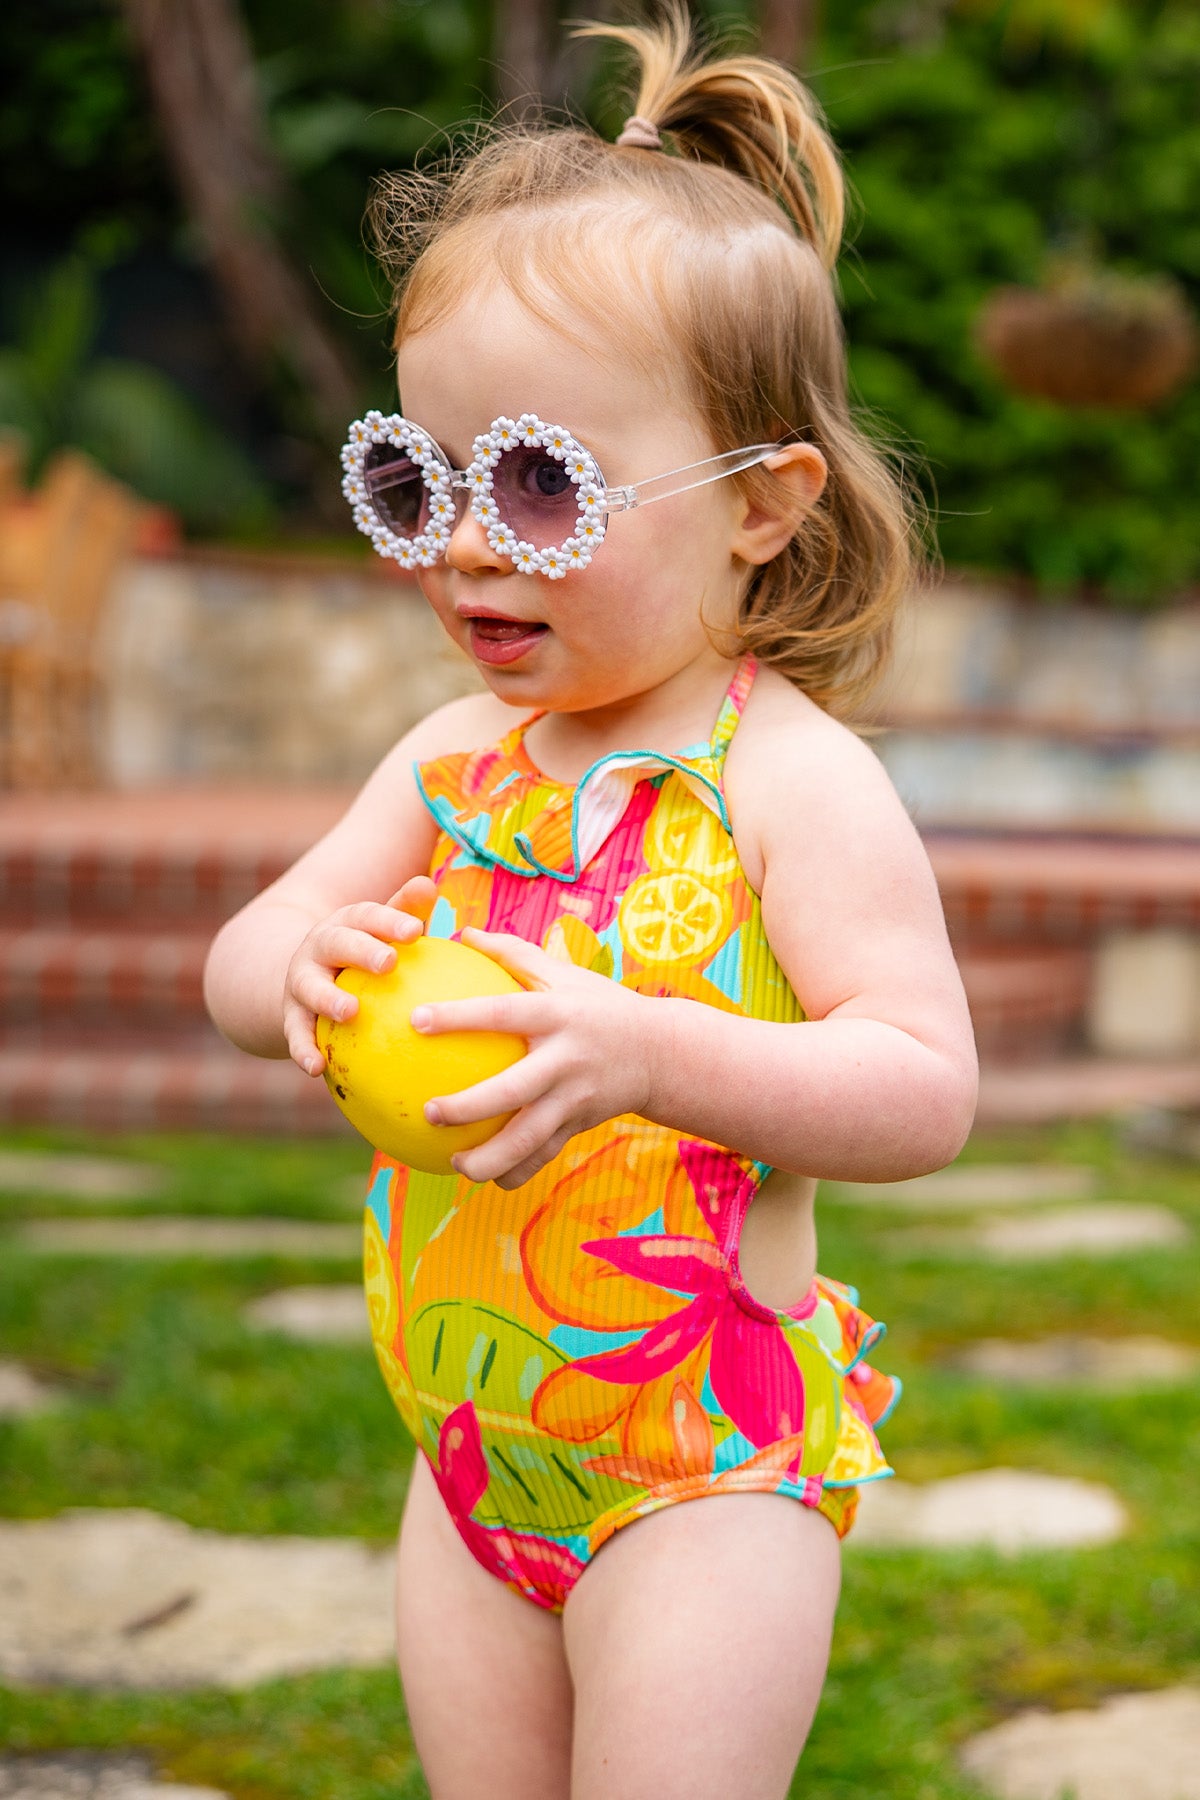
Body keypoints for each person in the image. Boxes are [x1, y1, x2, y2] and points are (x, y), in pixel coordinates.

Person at [204, 11, 978, 1797]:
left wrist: (649, 1052)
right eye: (419, 479)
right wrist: (298, 965)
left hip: (703, 1475)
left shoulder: (785, 782)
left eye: (543, 480)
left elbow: (922, 1087)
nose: (470, 540)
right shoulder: (450, 761)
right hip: (470, 1456)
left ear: (761, 505)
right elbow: (244, 956)